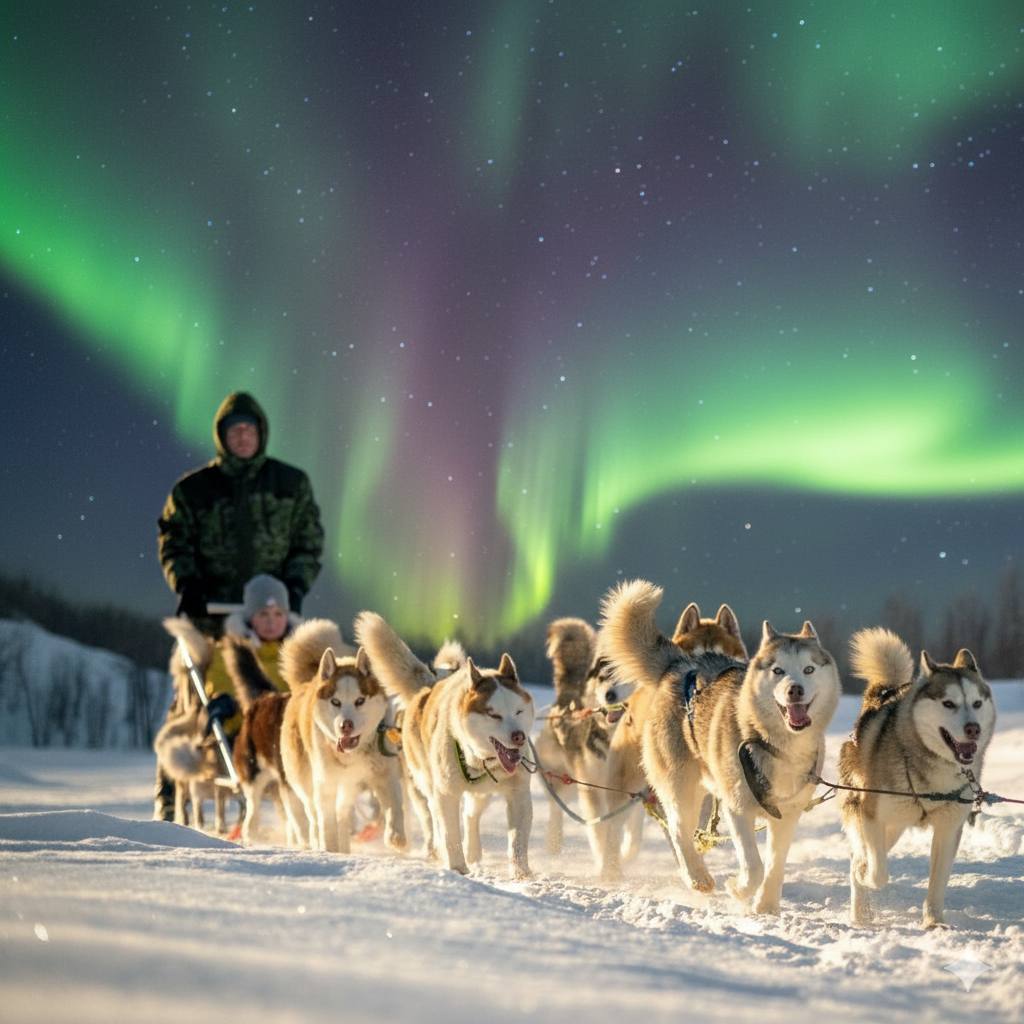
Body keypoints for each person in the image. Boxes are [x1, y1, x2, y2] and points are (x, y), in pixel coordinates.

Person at [153, 391, 324, 819]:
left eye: (250, 429)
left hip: (272, 617)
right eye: (235, 430)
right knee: (192, 701)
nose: (243, 436)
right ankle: (169, 796)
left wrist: (293, 591)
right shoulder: (193, 491)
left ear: (261, 433)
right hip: (210, 615)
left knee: (287, 694)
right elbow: (173, 541)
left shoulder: (291, 484)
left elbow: (308, 541)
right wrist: (187, 585)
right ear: (221, 436)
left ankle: (304, 783)